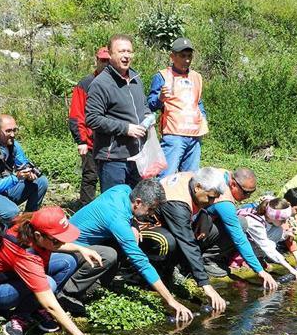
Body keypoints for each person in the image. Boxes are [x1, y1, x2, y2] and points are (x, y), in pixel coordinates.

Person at [0, 207, 103, 335]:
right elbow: (49, 302)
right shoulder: (24, 253)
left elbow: (53, 243)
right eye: (56, 241)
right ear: (38, 235)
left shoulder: (31, 225)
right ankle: (19, 317)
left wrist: (81, 249)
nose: (60, 244)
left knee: (68, 262)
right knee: (49, 283)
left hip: (16, 278)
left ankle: (34, 308)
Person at [68, 179, 194, 321]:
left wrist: (134, 224)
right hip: (70, 250)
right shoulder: (117, 219)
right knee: (110, 255)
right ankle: (69, 293)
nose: (151, 214)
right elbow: (141, 262)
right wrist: (171, 300)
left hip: (81, 239)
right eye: (150, 209)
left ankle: (98, 285)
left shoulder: (124, 190)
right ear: (138, 202)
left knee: (118, 247)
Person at [150, 168, 232, 311]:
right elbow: (188, 243)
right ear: (198, 187)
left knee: (206, 224)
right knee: (170, 242)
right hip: (146, 228)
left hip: (169, 222)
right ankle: (150, 275)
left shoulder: (193, 178)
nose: (212, 202)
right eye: (210, 197)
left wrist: (203, 216)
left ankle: (182, 267)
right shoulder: (177, 204)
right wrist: (205, 284)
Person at [85, 34, 150, 191]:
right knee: (114, 205)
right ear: (110, 54)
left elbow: (144, 104)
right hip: (113, 159)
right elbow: (92, 118)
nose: (126, 56)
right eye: (121, 51)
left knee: (137, 205)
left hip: (138, 155)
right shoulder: (101, 84)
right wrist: (126, 128)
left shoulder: (136, 79)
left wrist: (148, 115)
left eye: (129, 51)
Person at [202, 168, 279, 290]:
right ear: (233, 184)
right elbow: (240, 239)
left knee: (240, 222)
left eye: (251, 193)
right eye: (246, 192)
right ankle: (208, 259)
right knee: (241, 224)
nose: (248, 197)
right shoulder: (224, 203)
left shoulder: (224, 174)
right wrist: (260, 271)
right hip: (193, 230)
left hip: (202, 220)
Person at [146, 37, 208, 178]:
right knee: (165, 178)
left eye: (189, 56)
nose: (186, 60)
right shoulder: (162, 76)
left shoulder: (196, 77)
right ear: (172, 56)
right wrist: (160, 98)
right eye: (182, 56)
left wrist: (203, 118)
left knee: (190, 179)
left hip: (195, 137)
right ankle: (162, 201)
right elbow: (150, 105)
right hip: (174, 136)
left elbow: (197, 101)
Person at [68, 47, 110, 208]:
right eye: (103, 60)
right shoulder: (85, 84)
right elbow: (76, 115)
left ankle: (108, 211)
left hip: (112, 142)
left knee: (111, 177)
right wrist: (81, 141)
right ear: (96, 61)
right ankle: (84, 211)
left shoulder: (119, 81)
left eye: (108, 60)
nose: (106, 64)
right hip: (91, 141)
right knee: (90, 176)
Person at [235, 197, 297, 279]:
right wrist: (290, 269)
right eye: (282, 220)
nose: (285, 222)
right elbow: (267, 247)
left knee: (279, 230)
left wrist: (286, 234)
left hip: (255, 241)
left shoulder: (269, 218)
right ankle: (245, 259)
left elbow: (276, 234)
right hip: (235, 246)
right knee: (270, 244)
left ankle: (259, 257)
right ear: (273, 217)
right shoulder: (255, 223)